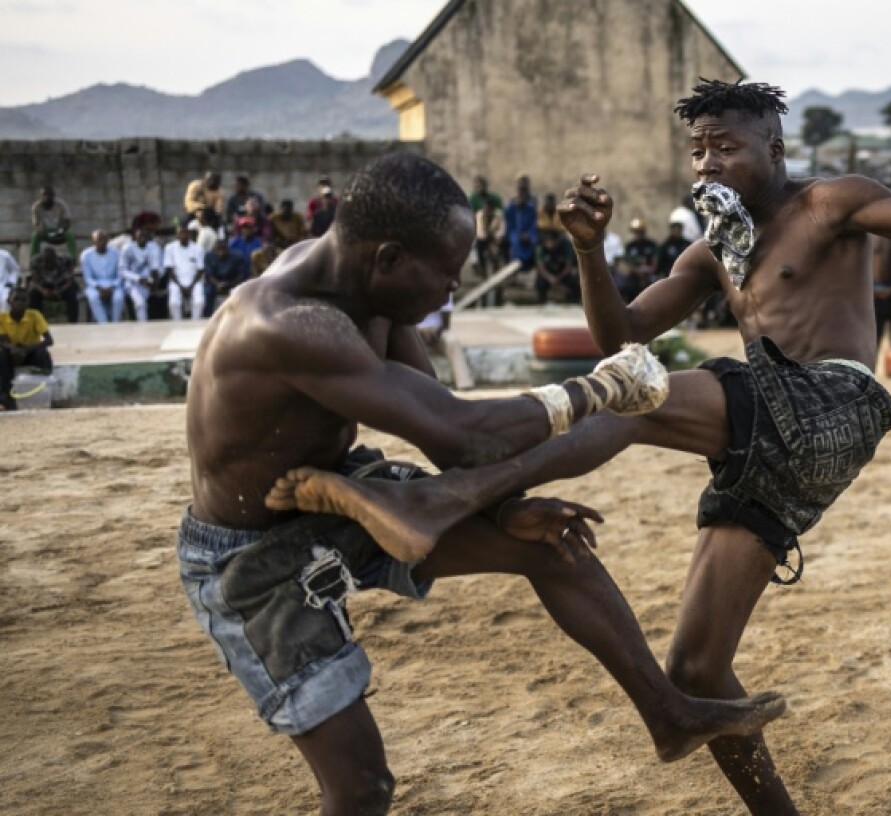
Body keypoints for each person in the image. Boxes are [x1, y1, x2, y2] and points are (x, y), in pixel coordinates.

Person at [179, 151, 785, 816]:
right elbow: (462, 430)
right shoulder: (288, 323)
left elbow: (445, 439)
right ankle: (390, 510)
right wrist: (596, 388)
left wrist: (507, 506)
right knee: (361, 790)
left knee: (552, 540)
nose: (455, 286)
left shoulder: (368, 290)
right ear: (387, 259)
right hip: (251, 559)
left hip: (337, 490)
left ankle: (668, 714)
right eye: (446, 272)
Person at [0, 288, 53, 410]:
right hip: (12, 353)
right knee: (2, 355)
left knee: (43, 354)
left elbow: (49, 340)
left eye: (23, 300)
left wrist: (26, 350)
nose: (19, 303)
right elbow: (2, 340)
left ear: (28, 303)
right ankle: (5, 397)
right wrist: (14, 349)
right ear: (9, 301)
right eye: (16, 299)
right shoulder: (2, 318)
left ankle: (46, 389)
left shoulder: (34, 315)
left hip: (30, 352)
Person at [163, 223, 207, 320]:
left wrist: (190, 287)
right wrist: (181, 286)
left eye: (185, 233)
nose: (183, 235)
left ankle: (195, 323)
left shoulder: (198, 248)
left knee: (199, 301)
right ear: (177, 235)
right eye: (180, 233)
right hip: (176, 281)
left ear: (189, 234)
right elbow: (170, 270)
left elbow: (200, 270)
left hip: (194, 281)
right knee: (174, 303)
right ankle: (177, 324)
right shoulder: (169, 248)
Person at [80, 230, 125, 324]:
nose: (101, 243)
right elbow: (88, 278)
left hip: (113, 284)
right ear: (93, 242)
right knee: (93, 297)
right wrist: (99, 288)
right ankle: (103, 324)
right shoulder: (86, 255)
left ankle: (115, 323)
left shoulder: (116, 253)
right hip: (95, 286)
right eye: (98, 240)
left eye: (104, 240)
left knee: (118, 297)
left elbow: (120, 274)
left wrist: (112, 287)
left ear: (107, 241)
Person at [119, 227, 163, 322]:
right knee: (140, 304)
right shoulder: (127, 248)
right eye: (140, 236)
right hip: (133, 283)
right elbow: (122, 270)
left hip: (149, 282)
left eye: (144, 236)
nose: (142, 238)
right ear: (135, 237)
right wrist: (138, 279)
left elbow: (158, 267)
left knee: (148, 303)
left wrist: (155, 279)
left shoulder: (153, 247)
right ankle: (143, 327)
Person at [28, 246, 79, 323]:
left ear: (55, 259)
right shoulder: (35, 261)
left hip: (61, 285)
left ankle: (73, 321)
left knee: (72, 292)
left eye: (51, 262)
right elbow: (34, 281)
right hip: (43, 285)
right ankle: (36, 321)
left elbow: (70, 280)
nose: (48, 264)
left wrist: (59, 291)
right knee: (32, 293)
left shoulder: (65, 261)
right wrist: (43, 291)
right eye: (46, 262)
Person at [534, 229, 580, 303]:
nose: (550, 244)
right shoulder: (540, 247)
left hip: (562, 273)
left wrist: (558, 277)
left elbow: (569, 266)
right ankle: (541, 301)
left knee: (574, 283)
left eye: (552, 241)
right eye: (548, 241)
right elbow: (540, 267)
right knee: (540, 283)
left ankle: (573, 300)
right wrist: (550, 278)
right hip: (548, 273)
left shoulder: (566, 246)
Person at [503, 175, 538, 274]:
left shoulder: (532, 204)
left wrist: (528, 235)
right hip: (514, 232)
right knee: (514, 240)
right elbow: (509, 224)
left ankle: (527, 265)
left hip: (529, 231)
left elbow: (533, 222)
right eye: (520, 188)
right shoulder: (511, 205)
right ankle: (514, 266)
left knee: (533, 240)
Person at [203, 239, 247, 316]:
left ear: (227, 249)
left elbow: (241, 276)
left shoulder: (237, 257)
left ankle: (240, 316)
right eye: (218, 249)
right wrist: (217, 284)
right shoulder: (209, 256)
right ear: (214, 249)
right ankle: (208, 315)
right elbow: (209, 274)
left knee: (240, 291)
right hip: (215, 284)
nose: (221, 252)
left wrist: (228, 284)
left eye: (223, 249)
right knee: (208, 291)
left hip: (232, 283)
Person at [31, 187, 77, 259]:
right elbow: (35, 223)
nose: (46, 197)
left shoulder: (61, 205)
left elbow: (67, 221)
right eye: (44, 195)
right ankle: (33, 260)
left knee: (69, 233)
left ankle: (73, 259)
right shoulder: (36, 207)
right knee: (35, 235)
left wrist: (61, 229)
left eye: (49, 195)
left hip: (59, 230)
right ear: (41, 196)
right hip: (45, 231)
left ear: (53, 196)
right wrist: (39, 229)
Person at [619, 218, 659, 302]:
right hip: (635, 274)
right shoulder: (630, 246)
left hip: (650, 273)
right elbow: (629, 263)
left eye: (640, 231)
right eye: (636, 232)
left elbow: (655, 261)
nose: (638, 234)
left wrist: (649, 271)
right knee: (626, 286)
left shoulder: (652, 245)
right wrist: (638, 272)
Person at [0, 248, 19, 312]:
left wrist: (11, 282)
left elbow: (15, 269)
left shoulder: (4, 255)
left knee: (6, 297)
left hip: (4, 285)